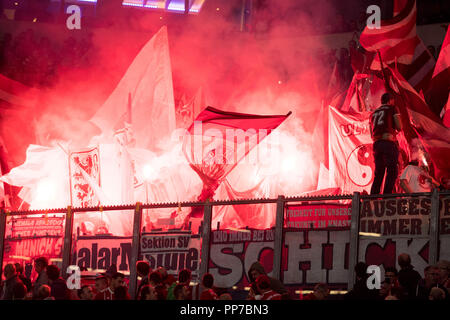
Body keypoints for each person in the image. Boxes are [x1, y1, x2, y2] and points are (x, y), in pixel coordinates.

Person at [369, 92, 403, 194]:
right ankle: (387, 197)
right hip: (388, 142)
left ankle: (372, 199)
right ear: (390, 100)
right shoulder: (392, 108)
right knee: (392, 171)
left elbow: (371, 134)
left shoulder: (373, 114)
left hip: (376, 144)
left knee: (379, 173)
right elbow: (399, 127)